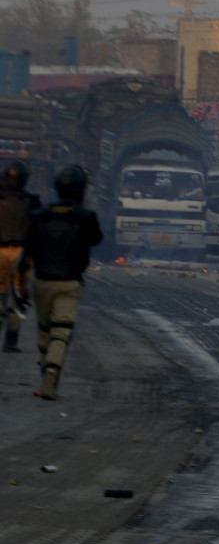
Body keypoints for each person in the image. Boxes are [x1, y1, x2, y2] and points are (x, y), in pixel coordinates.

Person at [19, 165, 103, 401]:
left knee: (44, 330)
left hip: (42, 280)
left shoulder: (39, 216)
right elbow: (95, 239)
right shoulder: (85, 218)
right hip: (70, 282)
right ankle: (52, 374)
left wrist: (21, 280)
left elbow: (28, 251)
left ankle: (45, 368)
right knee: (61, 332)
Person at [0, 160, 41, 353]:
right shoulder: (31, 201)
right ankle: (11, 340)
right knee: (16, 298)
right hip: (22, 254)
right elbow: (37, 229)